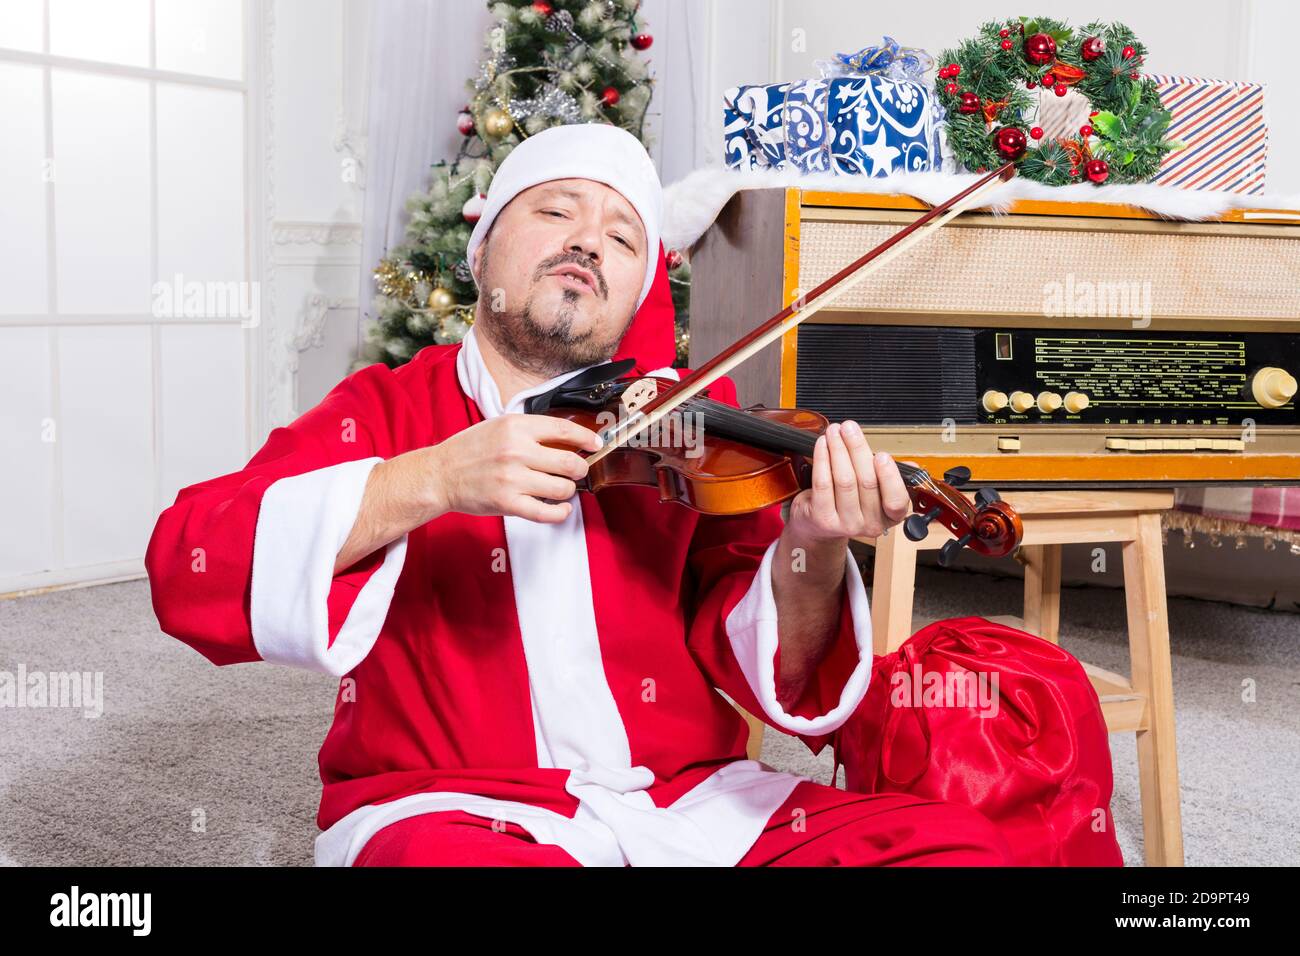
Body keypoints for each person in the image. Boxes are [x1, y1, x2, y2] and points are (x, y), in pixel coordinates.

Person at [145, 122, 1013, 867]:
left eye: (623, 238)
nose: (588, 241)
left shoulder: (681, 439)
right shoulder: (382, 410)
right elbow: (190, 560)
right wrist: (434, 477)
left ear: (638, 293)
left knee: (958, 852)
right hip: (451, 810)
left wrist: (815, 546)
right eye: (555, 210)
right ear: (482, 246)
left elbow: (781, 670)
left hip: (688, 807)